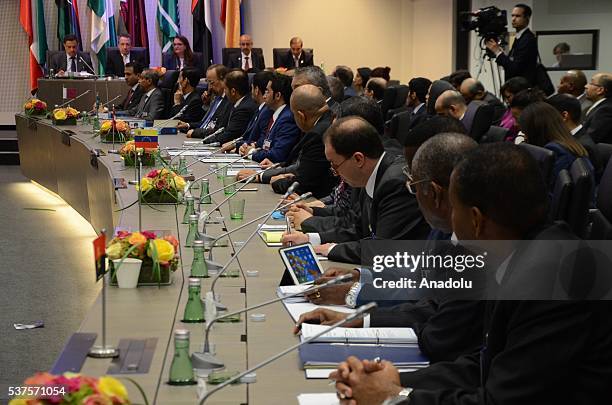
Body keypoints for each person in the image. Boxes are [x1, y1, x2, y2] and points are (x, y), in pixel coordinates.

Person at [331, 143, 612, 405]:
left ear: (476, 220)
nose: (450, 221)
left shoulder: (548, 278)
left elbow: (500, 399)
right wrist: (390, 381)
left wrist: (395, 397)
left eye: (455, 210)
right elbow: (486, 364)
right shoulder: (520, 253)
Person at [294, 133, 484, 364]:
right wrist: (360, 296)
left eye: (413, 186)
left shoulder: (474, 250)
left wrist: (395, 389)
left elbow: (438, 331)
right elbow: (422, 288)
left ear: (433, 193)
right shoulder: (445, 229)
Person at [281, 116, 430, 264]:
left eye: (335, 165)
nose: (335, 173)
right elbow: (358, 228)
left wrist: (331, 249)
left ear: (358, 159)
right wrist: (310, 239)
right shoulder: (372, 175)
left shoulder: (395, 183)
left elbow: (382, 250)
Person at [263, 84, 336, 197]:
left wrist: (277, 183)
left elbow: (302, 184)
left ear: (301, 116)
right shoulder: (330, 117)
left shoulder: (317, 134)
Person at [519, 101, 593, 188]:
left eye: (525, 131)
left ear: (535, 130)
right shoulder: (569, 143)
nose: (524, 136)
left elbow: (544, 188)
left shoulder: (555, 151)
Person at [237, 73, 300, 164]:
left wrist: (251, 153)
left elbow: (277, 154)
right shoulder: (277, 115)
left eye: (267, 91)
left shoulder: (287, 118)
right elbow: (265, 145)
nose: (264, 96)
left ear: (277, 95)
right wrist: (249, 147)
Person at [486, 4, 538, 85]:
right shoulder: (520, 37)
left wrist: (497, 52)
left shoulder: (527, 39)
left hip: (521, 88)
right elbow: (513, 61)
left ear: (527, 18)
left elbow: (514, 68)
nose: (513, 19)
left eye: (517, 16)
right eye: (512, 16)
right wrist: (501, 53)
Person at [223, 70, 273, 152]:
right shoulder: (259, 109)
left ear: (256, 90)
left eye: (252, 88)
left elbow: (261, 139)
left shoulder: (266, 111)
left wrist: (238, 145)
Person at [205, 69, 258, 144]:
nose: (224, 92)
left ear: (233, 91)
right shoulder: (238, 103)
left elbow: (229, 136)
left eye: (225, 89)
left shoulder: (244, 109)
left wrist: (206, 140)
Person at [178, 64, 230, 139]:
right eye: (207, 82)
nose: (209, 87)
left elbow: (217, 129)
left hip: (206, 139)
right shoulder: (216, 99)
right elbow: (205, 122)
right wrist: (187, 125)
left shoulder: (228, 102)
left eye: (212, 83)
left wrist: (196, 133)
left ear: (223, 80)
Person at [582, 72, 612, 144]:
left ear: (600, 90)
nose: (586, 86)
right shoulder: (600, 106)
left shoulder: (605, 110)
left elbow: (591, 138)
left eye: (591, 83)